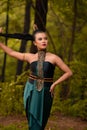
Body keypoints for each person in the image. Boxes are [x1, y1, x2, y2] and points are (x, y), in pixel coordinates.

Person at [0, 26, 72, 130]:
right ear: (34, 43)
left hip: (45, 91)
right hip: (31, 89)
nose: (44, 41)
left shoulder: (53, 57)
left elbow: (69, 72)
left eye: (45, 38)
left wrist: (54, 84)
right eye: (40, 39)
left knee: (40, 121)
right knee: (32, 120)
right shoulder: (30, 57)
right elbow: (11, 52)